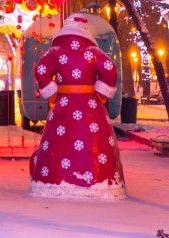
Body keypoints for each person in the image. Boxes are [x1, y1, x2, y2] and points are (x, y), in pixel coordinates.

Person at [29, 13, 126, 198]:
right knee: (94, 142)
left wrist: (52, 91)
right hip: (91, 106)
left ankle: (54, 179)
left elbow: (40, 69)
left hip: (63, 106)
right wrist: (101, 92)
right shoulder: (93, 52)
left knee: (58, 142)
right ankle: (97, 179)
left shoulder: (55, 51)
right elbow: (109, 68)